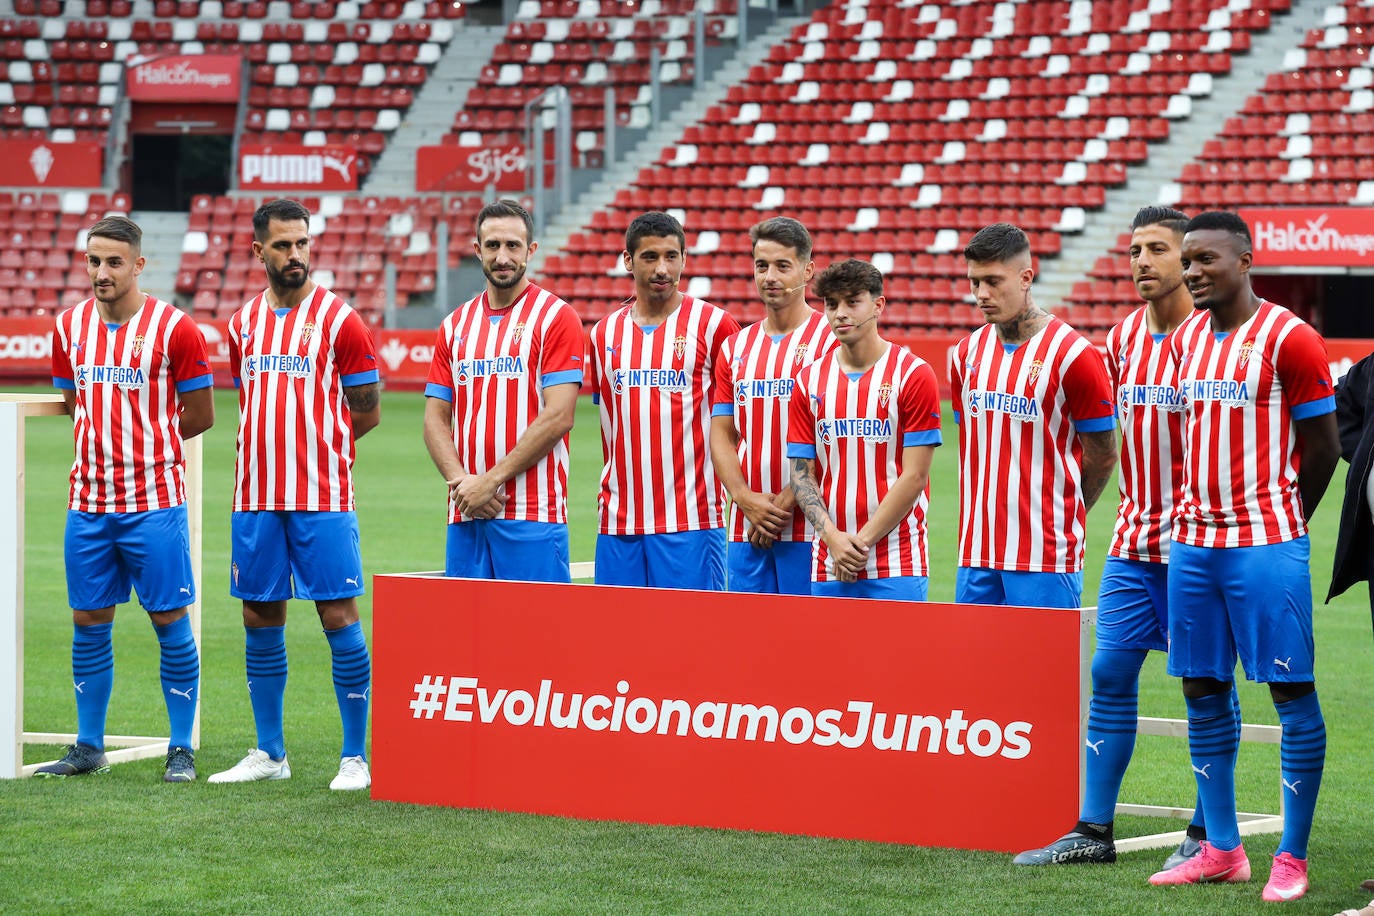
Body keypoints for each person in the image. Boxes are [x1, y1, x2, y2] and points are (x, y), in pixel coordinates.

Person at [1015, 207, 1231, 869]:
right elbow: (1099, 444)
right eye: (1135, 249)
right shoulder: (1121, 341)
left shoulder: (1216, 337)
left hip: (1197, 547)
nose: (1142, 261)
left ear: (1188, 259)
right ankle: (1093, 831)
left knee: (1205, 684)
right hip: (1134, 543)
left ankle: (1206, 830)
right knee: (1108, 674)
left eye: (1158, 249)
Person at [1147, 211, 1340, 903]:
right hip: (1194, 546)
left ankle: (1292, 855)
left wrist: (1284, 523)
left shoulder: (1290, 338)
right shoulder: (1184, 342)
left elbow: (1324, 448)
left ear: (1247, 259)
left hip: (1265, 547)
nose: (1193, 271)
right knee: (1202, 688)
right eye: (1188, 261)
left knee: (1290, 693)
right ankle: (1222, 849)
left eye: (1206, 260)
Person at [209, 198, 381, 791]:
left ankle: (355, 757)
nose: (295, 255)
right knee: (259, 613)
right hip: (255, 497)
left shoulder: (341, 320)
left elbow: (367, 412)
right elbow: (251, 400)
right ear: (258, 250)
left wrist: (319, 450)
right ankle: (270, 752)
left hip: (323, 497)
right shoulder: (241, 323)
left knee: (338, 614)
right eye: (282, 245)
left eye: (303, 243)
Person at [39, 215, 214, 782]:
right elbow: (72, 403)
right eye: (94, 260)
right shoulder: (68, 328)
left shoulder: (175, 328)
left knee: (169, 619)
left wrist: (147, 448)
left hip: (154, 502)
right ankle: (89, 746)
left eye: (114, 261)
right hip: (88, 502)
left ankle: (181, 747)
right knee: (88, 617)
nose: (102, 272)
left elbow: (202, 414)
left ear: (138, 264)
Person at [949, 222, 1117, 609]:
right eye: (975, 282)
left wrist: (1063, 514)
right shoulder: (965, 355)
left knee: (1043, 670)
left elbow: (1104, 453)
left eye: (993, 281)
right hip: (975, 553)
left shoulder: (1074, 354)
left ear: (1026, 277)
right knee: (974, 669)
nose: (982, 294)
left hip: (1045, 556)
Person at [422, 200, 583, 582]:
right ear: (477, 250)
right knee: (470, 636)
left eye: (513, 245)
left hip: (532, 513)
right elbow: (434, 418)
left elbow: (559, 415)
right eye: (492, 245)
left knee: (537, 638)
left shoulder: (556, 317)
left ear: (531, 250)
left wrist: (489, 481)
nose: (502, 256)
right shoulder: (454, 325)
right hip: (465, 512)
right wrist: (464, 483)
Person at [587, 211, 740, 589]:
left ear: (685, 260)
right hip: (619, 520)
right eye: (650, 257)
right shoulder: (603, 334)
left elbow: (738, 423)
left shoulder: (714, 325)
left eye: (672, 256)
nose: (662, 268)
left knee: (692, 640)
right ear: (628, 260)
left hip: (691, 519)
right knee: (619, 641)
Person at [786, 258, 941, 599]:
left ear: (878, 305)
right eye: (832, 304)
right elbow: (801, 474)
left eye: (852, 302)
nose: (840, 313)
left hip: (898, 560)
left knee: (897, 655)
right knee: (829, 655)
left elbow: (915, 476)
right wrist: (834, 539)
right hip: (829, 558)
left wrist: (860, 543)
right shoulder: (808, 380)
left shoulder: (913, 374)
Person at [709, 217, 836, 595]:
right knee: (749, 644)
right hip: (746, 527)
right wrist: (746, 500)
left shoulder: (830, 341)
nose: (770, 276)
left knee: (805, 645)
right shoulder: (735, 347)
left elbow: (830, 441)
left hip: (810, 528)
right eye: (761, 266)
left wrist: (777, 509)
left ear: (807, 270)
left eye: (783, 265)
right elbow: (721, 434)